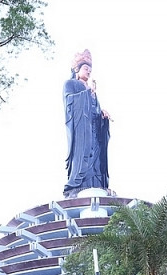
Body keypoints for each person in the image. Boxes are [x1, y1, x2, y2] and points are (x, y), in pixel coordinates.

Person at [63, 49, 111, 198]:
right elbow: (69, 102)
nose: (89, 71)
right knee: (82, 155)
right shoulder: (70, 84)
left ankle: (97, 184)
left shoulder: (92, 90)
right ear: (77, 70)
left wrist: (102, 115)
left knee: (97, 158)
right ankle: (77, 186)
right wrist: (86, 94)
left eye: (90, 69)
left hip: (94, 130)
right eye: (85, 68)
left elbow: (94, 110)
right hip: (81, 130)